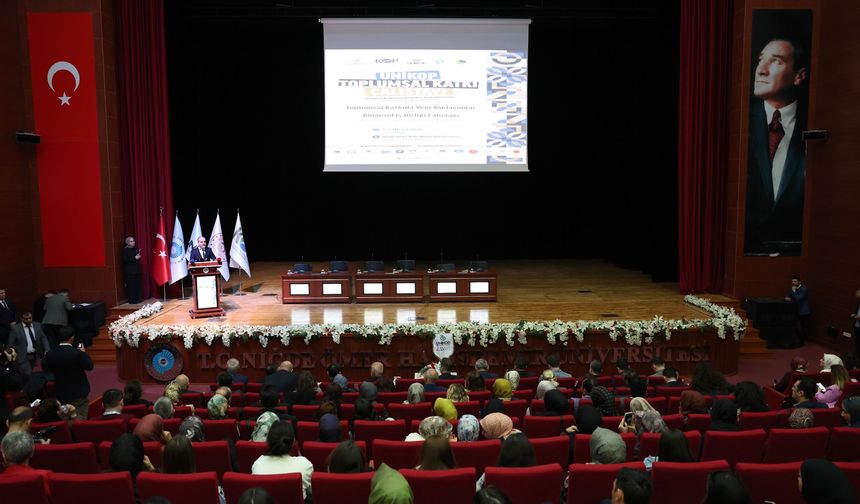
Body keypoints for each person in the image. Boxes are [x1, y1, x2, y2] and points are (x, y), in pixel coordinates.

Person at [744, 37, 809, 255]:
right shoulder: (739, 122)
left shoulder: (814, 122)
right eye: (761, 60)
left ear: (799, 76)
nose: (761, 70)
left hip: (796, 250)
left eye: (776, 61)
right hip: (748, 248)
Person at [251, 420, 313, 499]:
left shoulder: (258, 464)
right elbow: (312, 492)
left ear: (268, 441)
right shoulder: (304, 465)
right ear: (293, 441)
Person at [42, 326, 93, 418]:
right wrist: (84, 353)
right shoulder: (77, 353)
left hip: (61, 391)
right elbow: (90, 366)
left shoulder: (50, 354)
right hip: (79, 392)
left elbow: (48, 369)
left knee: (64, 417)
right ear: (72, 338)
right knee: (79, 419)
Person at [6, 312, 50, 376]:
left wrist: (47, 349)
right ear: (21, 319)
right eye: (26, 319)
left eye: (30, 318)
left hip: (37, 355)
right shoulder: (16, 329)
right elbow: (10, 344)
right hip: (23, 357)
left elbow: (43, 338)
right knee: (27, 375)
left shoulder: (38, 325)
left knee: (38, 375)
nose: (29, 320)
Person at [785, 275, 811, 345]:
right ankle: (798, 339)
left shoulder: (803, 289)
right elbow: (789, 294)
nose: (793, 283)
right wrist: (787, 297)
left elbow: (798, 298)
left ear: (799, 282)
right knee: (794, 325)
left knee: (802, 328)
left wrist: (793, 291)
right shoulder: (794, 288)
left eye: (795, 281)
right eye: (792, 281)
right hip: (797, 311)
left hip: (804, 312)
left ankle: (801, 342)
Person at [122, 236, 142, 304]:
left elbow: (136, 259)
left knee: (137, 285)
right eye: (131, 241)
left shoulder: (135, 249)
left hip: (136, 271)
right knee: (131, 286)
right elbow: (125, 260)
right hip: (130, 272)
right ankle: (132, 300)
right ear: (127, 243)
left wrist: (138, 256)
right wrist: (135, 258)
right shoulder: (125, 250)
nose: (133, 242)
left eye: (133, 241)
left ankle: (138, 299)